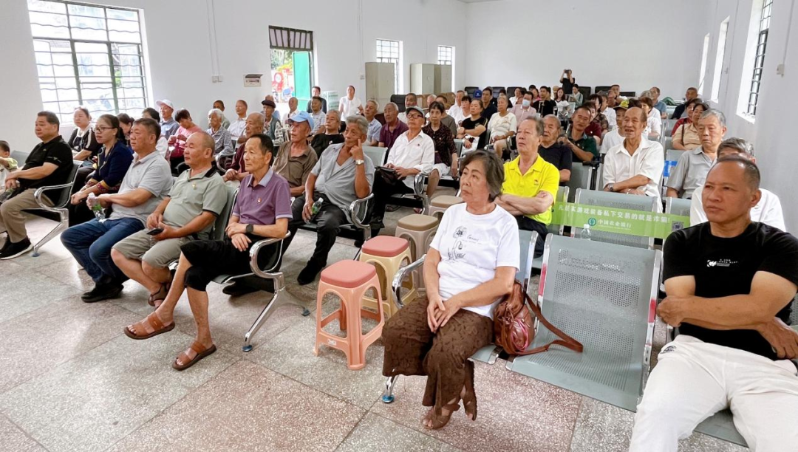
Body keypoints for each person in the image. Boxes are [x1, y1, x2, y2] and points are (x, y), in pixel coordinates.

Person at [629, 156, 798, 452]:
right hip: (694, 353)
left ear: (754, 198)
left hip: (764, 365)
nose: (713, 196)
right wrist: (762, 320)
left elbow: (755, 307)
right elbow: (677, 312)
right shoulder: (682, 241)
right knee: (655, 417)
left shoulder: (781, 245)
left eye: (727, 189)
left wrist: (758, 313)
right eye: (709, 187)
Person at [123, 133, 293, 371]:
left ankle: (164, 313)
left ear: (267, 157)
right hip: (236, 243)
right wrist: (234, 230)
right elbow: (233, 220)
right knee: (194, 275)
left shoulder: (279, 185)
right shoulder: (245, 183)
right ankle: (204, 340)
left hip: (259, 249)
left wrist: (246, 228)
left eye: (252, 152)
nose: (246, 156)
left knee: (191, 248)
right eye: (245, 151)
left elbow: (281, 229)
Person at [382, 149, 519, 430]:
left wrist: (457, 301)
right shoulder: (454, 213)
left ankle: (446, 402)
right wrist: (434, 296)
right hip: (440, 296)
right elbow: (432, 260)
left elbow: (504, 283)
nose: (465, 180)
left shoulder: (505, 224)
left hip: (478, 307)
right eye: (465, 173)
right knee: (396, 332)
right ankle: (460, 377)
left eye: (475, 176)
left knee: (445, 352)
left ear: (492, 185)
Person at [60, 118, 173, 302]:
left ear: (152, 138)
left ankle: (129, 277)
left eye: (137, 133)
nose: (131, 136)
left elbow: (137, 198)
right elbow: (123, 193)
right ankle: (106, 281)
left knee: (98, 250)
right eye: (131, 132)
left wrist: (107, 197)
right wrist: (101, 203)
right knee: (70, 236)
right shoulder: (135, 160)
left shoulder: (157, 165)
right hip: (115, 216)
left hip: (136, 220)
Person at [111, 132, 226, 307]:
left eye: (191, 147)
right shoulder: (185, 174)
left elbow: (206, 219)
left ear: (207, 152)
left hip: (187, 236)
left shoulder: (214, 182)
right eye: (186, 146)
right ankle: (158, 289)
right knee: (118, 252)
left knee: (149, 262)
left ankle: (174, 282)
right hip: (163, 228)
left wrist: (174, 233)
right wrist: (156, 213)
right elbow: (168, 198)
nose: (185, 150)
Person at [281, 115, 375, 285]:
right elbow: (312, 176)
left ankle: (317, 261)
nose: (348, 135)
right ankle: (272, 259)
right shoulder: (331, 150)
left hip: (338, 206)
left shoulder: (366, 163)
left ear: (362, 138)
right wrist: (308, 198)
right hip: (315, 197)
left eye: (354, 133)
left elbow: (362, 194)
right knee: (287, 217)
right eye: (347, 130)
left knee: (328, 224)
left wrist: (359, 161)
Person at [0, 112, 72, 259]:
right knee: (1, 201)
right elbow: (27, 167)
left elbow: (44, 171)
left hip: (44, 193)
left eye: (42, 124)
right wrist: (14, 175)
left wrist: (16, 174)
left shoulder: (60, 147)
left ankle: (21, 242)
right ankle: (12, 236)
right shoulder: (41, 146)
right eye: (36, 124)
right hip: (30, 188)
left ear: (54, 127)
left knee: (8, 207)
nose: (37, 127)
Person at [690, 138, 785, 231]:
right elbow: (699, 233)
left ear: (751, 163)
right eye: (722, 159)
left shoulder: (769, 200)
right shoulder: (702, 193)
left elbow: (775, 238)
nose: (726, 165)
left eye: (734, 159)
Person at [496, 118, 558, 256]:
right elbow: (492, 204)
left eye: (527, 132)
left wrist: (505, 197)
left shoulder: (550, 171)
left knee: (513, 248)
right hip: (503, 222)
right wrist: (530, 204)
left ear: (539, 140)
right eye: (519, 132)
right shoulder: (505, 168)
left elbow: (541, 206)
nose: (521, 136)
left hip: (534, 228)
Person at [370, 106, 434, 236]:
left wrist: (408, 171)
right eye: (410, 116)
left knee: (377, 185)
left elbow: (428, 166)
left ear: (423, 121)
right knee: (375, 178)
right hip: (391, 176)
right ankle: (374, 220)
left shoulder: (427, 141)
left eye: (416, 116)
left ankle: (372, 224)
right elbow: (391, 157)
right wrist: (390, 164)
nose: (412, 119)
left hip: (408, 182)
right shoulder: (401, 138)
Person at [68, 114, 134, 226]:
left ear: (114, 131)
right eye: (96, 128)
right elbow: (97, 176)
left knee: (82, 207)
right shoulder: (103, 150)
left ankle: (99, 226)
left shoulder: (120, 152)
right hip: (103, 192)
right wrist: (81, 191)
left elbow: (110, 181)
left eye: (102, 128)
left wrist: (84, 193)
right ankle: (77, 233)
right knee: (73, 203)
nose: (97, 132)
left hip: (115, 195)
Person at [602, 106, 664, 208]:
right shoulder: (612, 153)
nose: (629, 124)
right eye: (626, 120)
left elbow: (643, 179)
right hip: (617, 204)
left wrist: (616, 186)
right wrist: (628, 191)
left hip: (647, 204)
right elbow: (608, 187)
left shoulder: (654, 148)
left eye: (634, 121)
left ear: (644, 125)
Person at [666, 109, 727, 199]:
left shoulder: (730, 160)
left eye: (711, 128)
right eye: (701, 128)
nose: (705, 133)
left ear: (723, 131)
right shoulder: (687, 157)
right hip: (690, 203)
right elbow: (672, 190)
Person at [423, 102, 458, 198]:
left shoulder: (446, 130)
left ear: (441, 115)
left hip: (442, 162)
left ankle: (426, 199)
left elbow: (453, 148)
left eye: (437, 112)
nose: (434, 115)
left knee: (435, 172)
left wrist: (455, 161)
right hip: (425, 161)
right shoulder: (424, 131)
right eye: (432, 112)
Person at [224, 112, 265, 182]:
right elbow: (233, 166)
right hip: (237, 181)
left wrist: (238, 176)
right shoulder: (243, 146)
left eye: (250, 123)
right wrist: (230, 171)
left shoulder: (264, 146)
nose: (246, 127)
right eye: (246, 123)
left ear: (260, 128)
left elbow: (262, 172)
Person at [538, 115, 572, 185]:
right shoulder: (533, 148)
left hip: (552, 187)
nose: (545, 130)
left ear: (558, 131)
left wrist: (540, 177)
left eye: (550, 127)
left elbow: (565, 175)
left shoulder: (564, 150)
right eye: (543, 126)